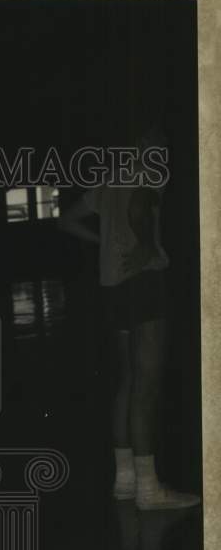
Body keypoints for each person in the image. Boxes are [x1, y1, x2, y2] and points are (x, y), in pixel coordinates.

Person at [58, 125, 200, 511]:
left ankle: (124, 479)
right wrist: (146, 245)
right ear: (141, 145)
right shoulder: (151, 172)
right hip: (143, 283)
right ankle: (150, 489)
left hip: (112, 288)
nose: (165, 149)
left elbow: (67, 220)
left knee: (127, 379)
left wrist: (103, 243)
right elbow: (140, 207)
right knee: (148, 384)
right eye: (159, 142)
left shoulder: (109, 180)